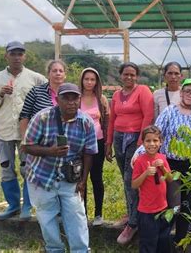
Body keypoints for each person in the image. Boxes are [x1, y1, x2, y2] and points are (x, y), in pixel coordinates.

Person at [22, 83, 97, 252]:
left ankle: (80, 250)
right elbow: (26, 146)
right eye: (66, 98)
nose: (71, 102)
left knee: (76, 217)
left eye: (75, 98)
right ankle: (55, 249)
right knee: (47, 217)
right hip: (41, 176)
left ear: (80, 100)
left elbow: (89, 153)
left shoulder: (86, 122)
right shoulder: (42, 117)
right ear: (57, 100)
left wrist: (83, 181)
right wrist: (50, 151)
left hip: (69, 177)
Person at [0, 41, 46, 220]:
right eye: (13, 54)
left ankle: (27, 206)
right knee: (6, 168)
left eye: (20, 54)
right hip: (3, 131)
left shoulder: (36, 78)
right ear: (6, 56)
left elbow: (50, 99)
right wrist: (0, 94)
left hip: (28, 133)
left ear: (25, 56)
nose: (17, 57)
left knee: (28, 168)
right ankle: (12, 205)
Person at [105, 62, 154, 244]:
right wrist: (109, 142)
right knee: (125, 179)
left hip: (135, 138)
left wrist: (141, 143)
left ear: (137, 77)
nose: (129, 77)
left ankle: (133, 224)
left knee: (130, 179)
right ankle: (132, 211)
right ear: (120, 76)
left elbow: (148, 116)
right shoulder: (117, 95)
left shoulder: (143, 91)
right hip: (119, 137)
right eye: (126, 74)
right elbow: (112, 120)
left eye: (132, 75)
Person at [155, 78, 191, 246]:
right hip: (171, 165)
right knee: (172, 206)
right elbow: (156, 134)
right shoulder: (170, 111)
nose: (190, 95)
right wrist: (141, 154)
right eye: (188, 91)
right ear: (181, 92)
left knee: (186, 207)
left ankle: (179, 244)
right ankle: (162, 243)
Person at [132, 125, 173, 253]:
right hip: (146, 212)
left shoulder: (162, 158)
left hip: (163, 209)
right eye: (148, 141)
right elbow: (134, 185)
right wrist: (145, 173)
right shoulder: (140, 161)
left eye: (155, 141)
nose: (152, 144)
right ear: (143, 143)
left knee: (163, 242)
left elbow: (170, 179)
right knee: (148, 244)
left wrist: (163, 168)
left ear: (160, 142)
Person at [79, 67, 109, 226]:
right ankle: (82, 213)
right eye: (86, 79)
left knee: (96, 177)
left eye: (92, 79)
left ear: (97, 82)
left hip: (97, 142)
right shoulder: (76, 98)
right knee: (80, 177)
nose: (89, 82)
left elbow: (107, 121)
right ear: (82, 81)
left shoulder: (101, 99)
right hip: (79, 145)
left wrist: (107, 144)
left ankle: (98, 214)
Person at [20, 60, 67, 133]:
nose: (58, 73)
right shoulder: (36, 91)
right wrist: (25, 139)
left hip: (64, 138)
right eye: (54, 71)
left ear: (65, 75)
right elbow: (24, 116)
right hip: (38, 138)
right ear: (48, 74)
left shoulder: (70, 93)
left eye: (61, 71)